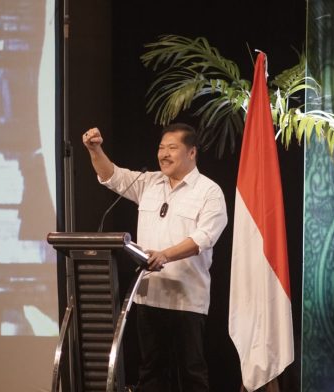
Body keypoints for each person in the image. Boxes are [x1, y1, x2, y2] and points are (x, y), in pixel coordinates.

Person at [83, 123, 228, 391]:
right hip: (149, 295)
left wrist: (165, 255)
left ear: (192, 152)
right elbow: (112, 176)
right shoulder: (148, 182)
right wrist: (95, 149)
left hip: (187, 300)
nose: (164, 154)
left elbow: (203, 238)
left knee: (191, 374)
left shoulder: (209, 192)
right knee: (151, 374)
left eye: (172, 148)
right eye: (161, 148)